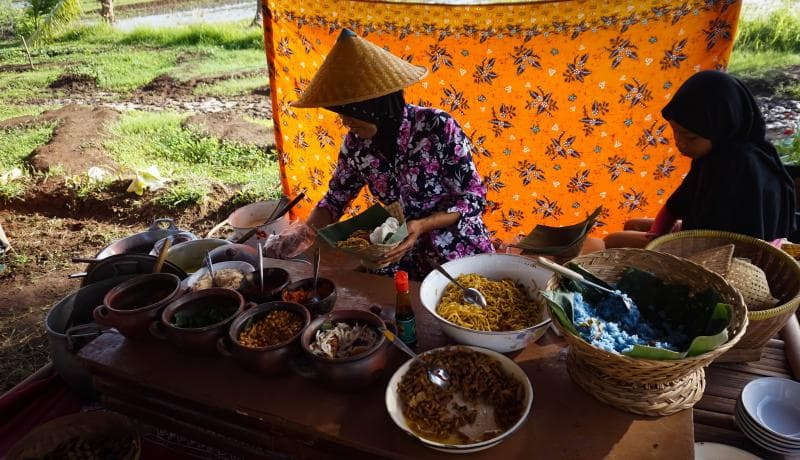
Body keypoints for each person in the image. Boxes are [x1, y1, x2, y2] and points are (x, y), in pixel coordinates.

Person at [271, 29, 494, 280]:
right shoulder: (356, 146)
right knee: (382, 302)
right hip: (396, 251)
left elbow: (473, 197)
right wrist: (302, 233)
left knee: (466, 301)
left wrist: (421, 226)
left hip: (454, 242)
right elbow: (335, 199)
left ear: (374, 107)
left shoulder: (437, 127)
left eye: (348, 113)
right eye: (340, 114)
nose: (344, 122)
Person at [605, 70, 796, 248]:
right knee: (634, 224)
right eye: (675, 133)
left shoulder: (738, 167)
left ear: (720, 128)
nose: (680, 143)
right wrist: (656, 234)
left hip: (732, 253)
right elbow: (677, 203)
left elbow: (713, 244)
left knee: (612, 240)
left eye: (690, 137)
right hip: (709, 235)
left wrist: (657, 246)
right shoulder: (717, 152)